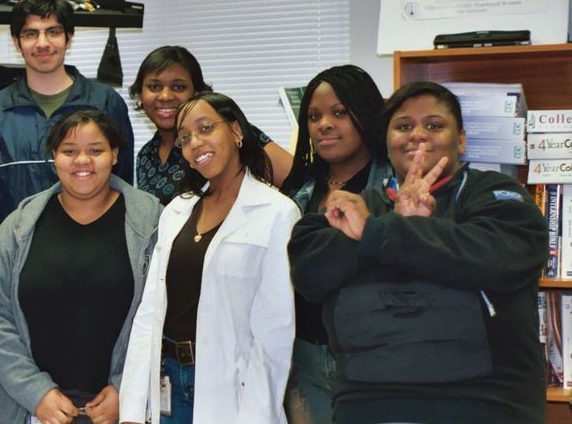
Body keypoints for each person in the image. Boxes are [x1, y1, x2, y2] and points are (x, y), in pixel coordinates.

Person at [289, 81, 548, 424]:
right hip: (366, 406)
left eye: (434, 125)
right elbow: (309, 269)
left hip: (484, 404)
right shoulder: (359, 206)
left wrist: (378, 233)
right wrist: (395, 224)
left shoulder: (494, 194)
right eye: (404, 126)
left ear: (461, 141)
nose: (417, 135)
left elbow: (502, 257)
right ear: (387, 141)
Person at [120, 92, 299, 423]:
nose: (195, 143)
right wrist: (132, 408)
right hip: (166, 381)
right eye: (185, 138)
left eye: (205, 128)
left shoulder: (277, 212)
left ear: (236, 131)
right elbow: (150, 312)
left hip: (231, 389)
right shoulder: (177, 210)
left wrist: (255, 415)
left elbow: (275, 330)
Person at [0, 109, 162, 424]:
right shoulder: (18, 228)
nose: (82, 161)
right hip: (34, 412)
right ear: (54, 156)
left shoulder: (152, 223)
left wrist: (125, 389)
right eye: (69, 151)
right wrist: (36, 393)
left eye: (95, 150)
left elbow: (164, 317)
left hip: (124, 410)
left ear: (115, 154)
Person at [278, 65, 390, 424]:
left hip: (373, 360)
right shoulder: (297, 193)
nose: (324, 124)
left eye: (339, 112)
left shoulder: (395, 188)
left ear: (366, 115)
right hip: (305, 361)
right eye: (314, 116)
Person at [0, 0, 135, 229]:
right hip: (17, 254)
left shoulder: (106, 103)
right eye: (30, 33)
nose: (43, 43)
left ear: (69, 38)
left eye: (53, 31)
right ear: (17, 42)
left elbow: (123, 185)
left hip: (91, 245)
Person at [130, 45, 293, 204]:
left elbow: (301, 182)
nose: (165, 96)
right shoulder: (145, 155)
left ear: (197, 93)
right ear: (141, 95)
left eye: (178, 87)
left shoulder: (228, 133)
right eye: (154, 87)